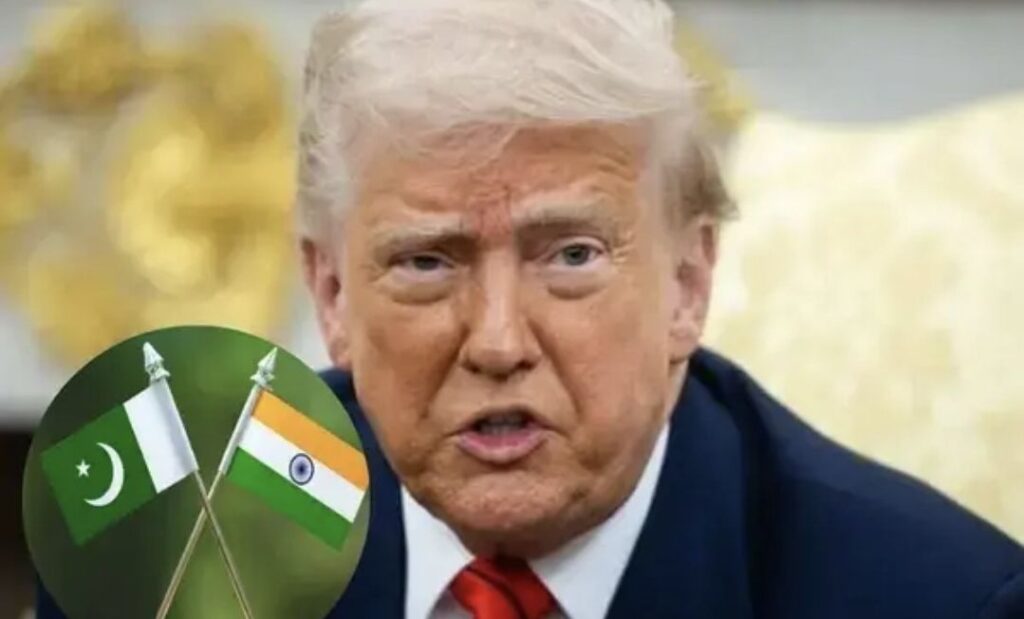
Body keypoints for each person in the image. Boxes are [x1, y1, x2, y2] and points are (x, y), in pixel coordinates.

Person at [33, 0, 1024, 617]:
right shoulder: (155, 528)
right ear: (330, 292)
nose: (499, 342)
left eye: (572, 256)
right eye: (426, 261)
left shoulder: (934, 599)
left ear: (687, 285)